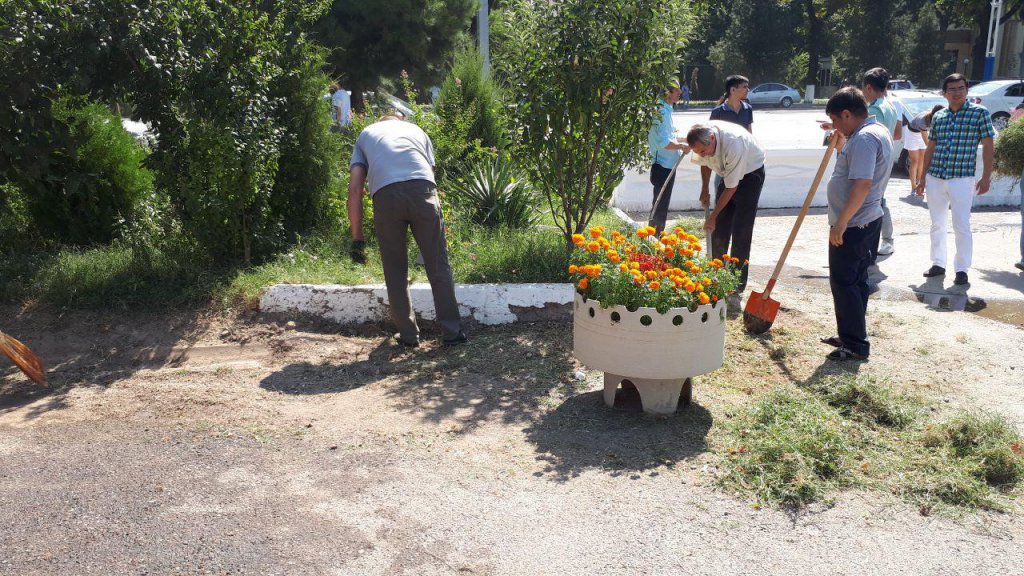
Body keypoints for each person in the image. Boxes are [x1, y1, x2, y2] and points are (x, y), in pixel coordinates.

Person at [348, 115, 466, 347]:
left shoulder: (366, 134)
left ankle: (409, 336)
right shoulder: (416, 130)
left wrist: (357, 239)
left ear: (382, 121)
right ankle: (452, 333)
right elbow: (428, 173)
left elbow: (355, 188)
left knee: (395, 269)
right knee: (438, 265)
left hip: (385, 196)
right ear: (399, 120)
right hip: (423, 192)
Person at [820, 87, 893, 362]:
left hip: (855, 223)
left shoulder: (863, 139)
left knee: (844, 282)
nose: (836, 127)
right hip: (865, 220)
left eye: (837, 120)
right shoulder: (874, 132)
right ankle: (851, 333)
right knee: (857, 282)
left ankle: (854, 345)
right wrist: (841, 145)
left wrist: (841, 223)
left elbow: (862, 184)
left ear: (848, 114)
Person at [915, 73, 995, 287]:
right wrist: (922, 177)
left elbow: (988, 146)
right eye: (952, 89)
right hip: (936, 177)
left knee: (961, 225)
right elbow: (930, 148)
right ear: (945, 93)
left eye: (961, 88)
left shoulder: (980, 114)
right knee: (937, 224)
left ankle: (961, 269)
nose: (957, 93)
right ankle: (938, 263)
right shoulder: (939, 117)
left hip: (962, 178)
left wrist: (986, 176)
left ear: (967, 90)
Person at [686, 121, 766, 295]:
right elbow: (704, 163)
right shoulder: (703, 141)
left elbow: (731, 188)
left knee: (741, 229)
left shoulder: (734, 144)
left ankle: (736, 282)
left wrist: (712, 217)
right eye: (698, 152)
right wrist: (705, 188)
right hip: (728, 174)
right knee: (720, 228)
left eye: (703, 151)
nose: (702, 154)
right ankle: (716, 275)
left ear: (713, 139)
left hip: (751, 174)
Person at [862, 68, 902, 257]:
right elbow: (896, 134)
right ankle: (884, 240)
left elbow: (864, 135)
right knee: (879, 199)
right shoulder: (890, 106)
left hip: (874, 160)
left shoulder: (875, 108)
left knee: (874, 201)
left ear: (868, 87)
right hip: (885, 158)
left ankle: (882, 241)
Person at [647, 78, 688, 233]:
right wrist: (681, 146)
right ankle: (653, 237)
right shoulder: (662, 112)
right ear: (668, 93)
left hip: (669, 164)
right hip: (662, 166)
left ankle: (656, 236)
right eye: (677, 90)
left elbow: (670, 136)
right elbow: (663, 142)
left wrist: (685, 140)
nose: (680, 93)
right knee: (659, 205)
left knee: (662, 205)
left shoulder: (668, 109)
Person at [907, 105, 944, 197]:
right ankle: (913, 187)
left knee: (922, 161)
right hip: (912, 133)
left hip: (922, 133)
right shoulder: (923, 121)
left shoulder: (935, 119)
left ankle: (920, 185)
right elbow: (927, 143)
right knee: (914, 161)